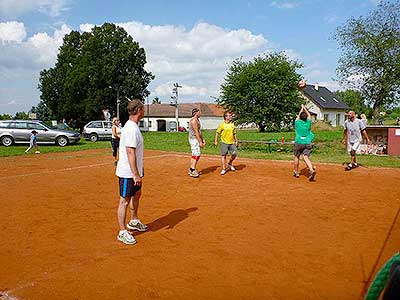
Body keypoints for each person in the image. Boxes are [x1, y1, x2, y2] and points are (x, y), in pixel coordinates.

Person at [115, 99, 148, 245]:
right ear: (139, 110)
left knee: (137, 194)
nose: (144, 111)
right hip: (128, 173)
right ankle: (122, 231)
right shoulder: (131, 129)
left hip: (135, 171)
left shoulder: (133, 127)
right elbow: (130, 153)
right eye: (143, 109)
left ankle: (133, 220)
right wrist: (135, 174)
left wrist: (139, 171)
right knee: (124, 200)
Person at [293, 104, 316, 181]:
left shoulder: (297, 123)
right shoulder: (308, 123)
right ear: (306, 117)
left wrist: (301, 108)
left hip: (299, 142)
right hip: (307, 143)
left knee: (296, 157)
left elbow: (298, 117)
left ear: (300, 117)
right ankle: (311, 170)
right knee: (305, 157)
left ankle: (296, 172)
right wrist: (305, 108)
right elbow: (309, 115)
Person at [188, 108, 205, 178]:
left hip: (196, 139)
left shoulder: (197, 120)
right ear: (195, 113)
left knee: (195, 155)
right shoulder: (194, 121)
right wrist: (200, 141)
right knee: (196, 155)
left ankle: (191, 169)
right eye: (199, 112)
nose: (200, 113)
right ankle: (192, 170)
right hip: (194, 139)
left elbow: (199, 131)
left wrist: (203, 139)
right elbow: (196, 132)